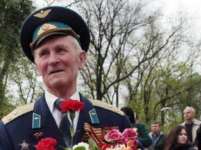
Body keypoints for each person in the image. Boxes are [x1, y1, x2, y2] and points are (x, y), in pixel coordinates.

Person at [0, 6, 130, 150]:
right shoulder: (11, 130)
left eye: (60, 50)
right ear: (37, 67)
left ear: (81, 59)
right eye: (44, 53)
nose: (53, 60)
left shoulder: (116, 122)